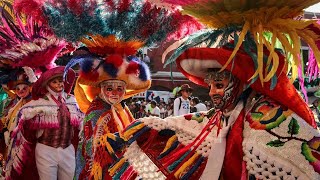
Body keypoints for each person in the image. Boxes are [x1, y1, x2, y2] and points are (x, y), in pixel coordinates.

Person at [5, 67, 83, 180]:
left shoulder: (72, 100)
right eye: (54, 82)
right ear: (47, 84)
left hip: (67, 149)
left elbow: (82, 122)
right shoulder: (38, 103)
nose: (59, 84)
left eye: (60, 81)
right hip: (46, 150)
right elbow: (23, 123)